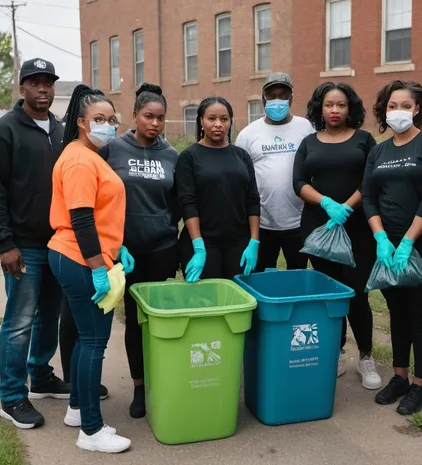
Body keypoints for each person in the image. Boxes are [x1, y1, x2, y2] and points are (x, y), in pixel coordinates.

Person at [58, 83, 179, 420]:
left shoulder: (171, 154)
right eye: (148, 116)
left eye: (160, 118)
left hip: (162, 249)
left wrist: (182, 243)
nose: (154, 123)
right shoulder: (111, 148)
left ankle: (162, 381)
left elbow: (177, 202)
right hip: (122, 253)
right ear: (135, 117)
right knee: (129, 323)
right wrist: (117, 245)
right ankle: (139, 388)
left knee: (157, 321)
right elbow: (94, 202)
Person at [0, 58, 69, 429]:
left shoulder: (62, 130)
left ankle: (41, 376)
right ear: (22, 89)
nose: (43, 89)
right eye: (35, 82)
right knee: (20, 321)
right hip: (24, 245)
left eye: (48, 82)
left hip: (59, 243)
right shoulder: (4, 131)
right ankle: (12, 395)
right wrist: (4, 242)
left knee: (50, 314)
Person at [48, 84, 132, 453]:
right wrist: (99, 267)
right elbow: (81, 219)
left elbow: (99, 212)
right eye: (99, 119)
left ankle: (78, 410)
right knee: (95, 342)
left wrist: (118, 245)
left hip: (84, 254)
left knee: (86, 339)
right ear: (81, 122)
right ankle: (92, 432)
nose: (107, 125)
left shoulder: (87, 153)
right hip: (80, 257)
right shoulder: (81, 159)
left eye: (112, 120)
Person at [293, 82, 381, 388]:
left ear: (350, 108)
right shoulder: (308, 142)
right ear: (319, 108)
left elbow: (371, 180)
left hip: (357, 229)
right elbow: (299, 181)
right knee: (330, 295)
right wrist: (326, 203)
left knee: (357, 293)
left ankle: (367, 356)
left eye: (341, 105)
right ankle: (337, 351)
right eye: (329, 105)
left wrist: (347, 206)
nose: (334, 110)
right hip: (320, 229)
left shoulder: (364, 140)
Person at [363, 80, 422, 415]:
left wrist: (409, 240)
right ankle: (399, 376)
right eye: (392, 106)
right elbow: (368, 196)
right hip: (387, 247)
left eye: (406, 106)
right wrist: (381, 238)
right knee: (397, 312)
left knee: (421, 316)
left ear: (419, 109)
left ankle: (420, 386)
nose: (398, 112)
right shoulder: (379, 150)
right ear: (384, 110)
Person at [175, 97, 261, 281]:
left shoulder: (241, 156)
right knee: (206, 302)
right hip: (203, 244)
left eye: (224, 119)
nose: (218, 124)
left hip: (239, 244)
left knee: (238, 300)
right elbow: (187, 202)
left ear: (230, 122)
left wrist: (254, 241)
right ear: (201, 121)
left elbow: (252, 199)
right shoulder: (189, 157)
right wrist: (198, 247)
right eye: (211, 118)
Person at [235, 73, 313, 272]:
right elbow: (240, 180)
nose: (277, 100)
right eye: (271, 95)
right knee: (261, 277)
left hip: (299, 221)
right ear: (263, 98)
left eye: (282, 94)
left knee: (298, 274)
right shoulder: (248, 134)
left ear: (291, 98)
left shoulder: (306, 128)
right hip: (262, 223)